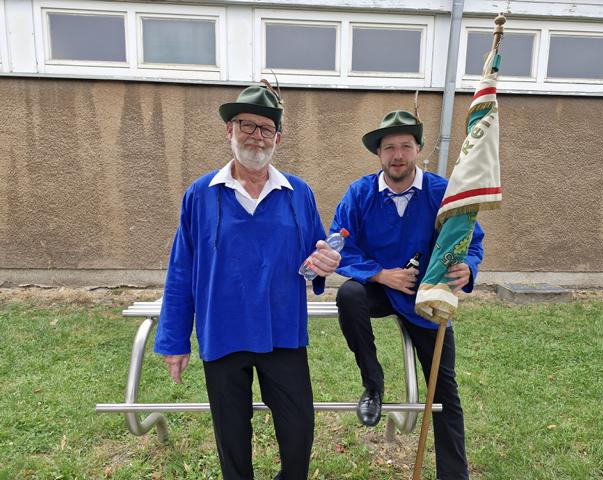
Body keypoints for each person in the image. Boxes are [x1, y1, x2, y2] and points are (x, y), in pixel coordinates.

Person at [153, 83, 340, 480]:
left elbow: (315, 255)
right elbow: (182, 270)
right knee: (232, 439)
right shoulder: (200, 195)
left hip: (282, 332)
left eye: (266, 128)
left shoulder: (298, 193)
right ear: (230, 130)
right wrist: (174, 339)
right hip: (223, 333)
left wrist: (324, 263)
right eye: (247, 125)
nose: (256, 135)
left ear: (278, 138)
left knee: (298, 431)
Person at [330, 110, 484, 480]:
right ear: (378, 153)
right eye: (389, 148)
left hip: (425, 297)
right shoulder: (360, 194)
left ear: (418, 150)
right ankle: (373, 384)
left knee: (444, 391)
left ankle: (453, 475)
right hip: (378, 289)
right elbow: (340, 248)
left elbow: (471, 240)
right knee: (348, 295)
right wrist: (382, 274)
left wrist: (468, 267)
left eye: (405, 146)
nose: (397, 155)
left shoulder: (442, 193)